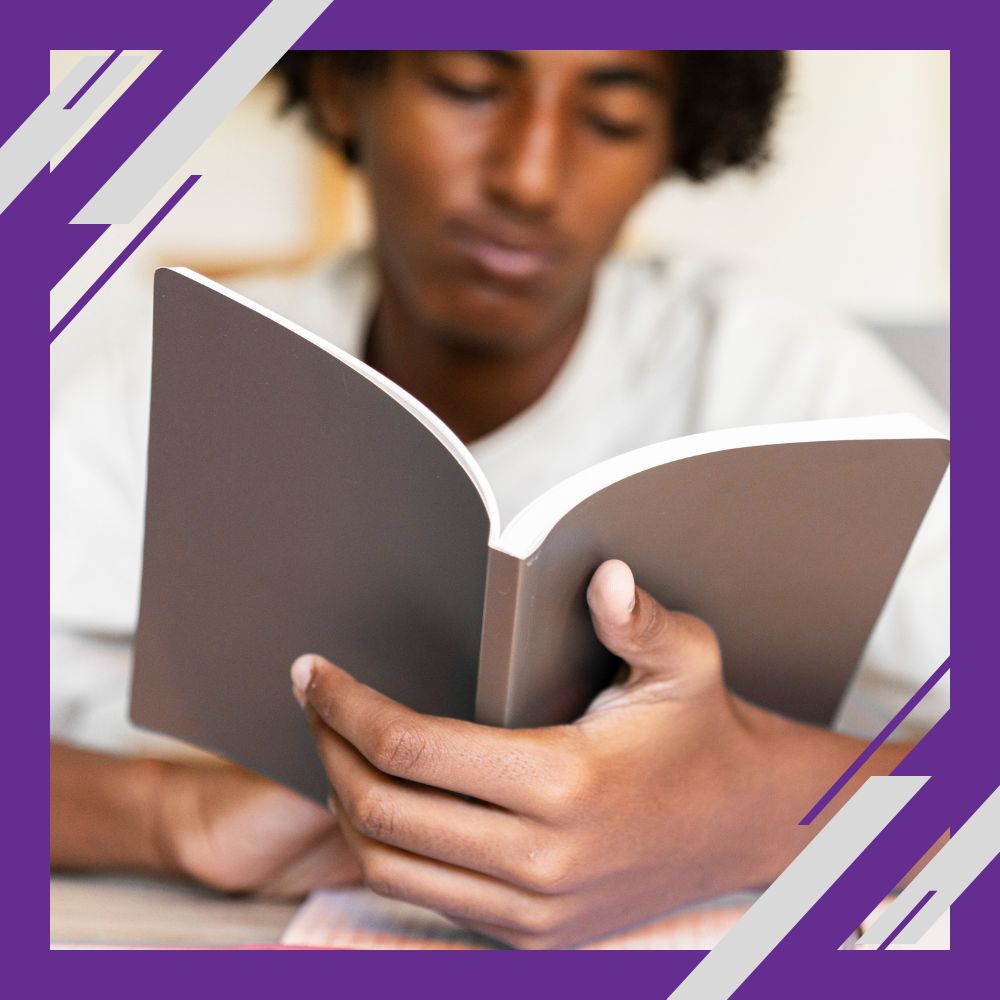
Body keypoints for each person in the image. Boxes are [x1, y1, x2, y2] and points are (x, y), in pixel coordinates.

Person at [50, 51, 948, 947]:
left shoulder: (787, 382)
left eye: (613, 121)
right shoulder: (175, 370)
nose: (528, 176)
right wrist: (173, 819)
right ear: (340, 87)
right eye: (470, 89)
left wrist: (756, 807)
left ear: (676, 140)